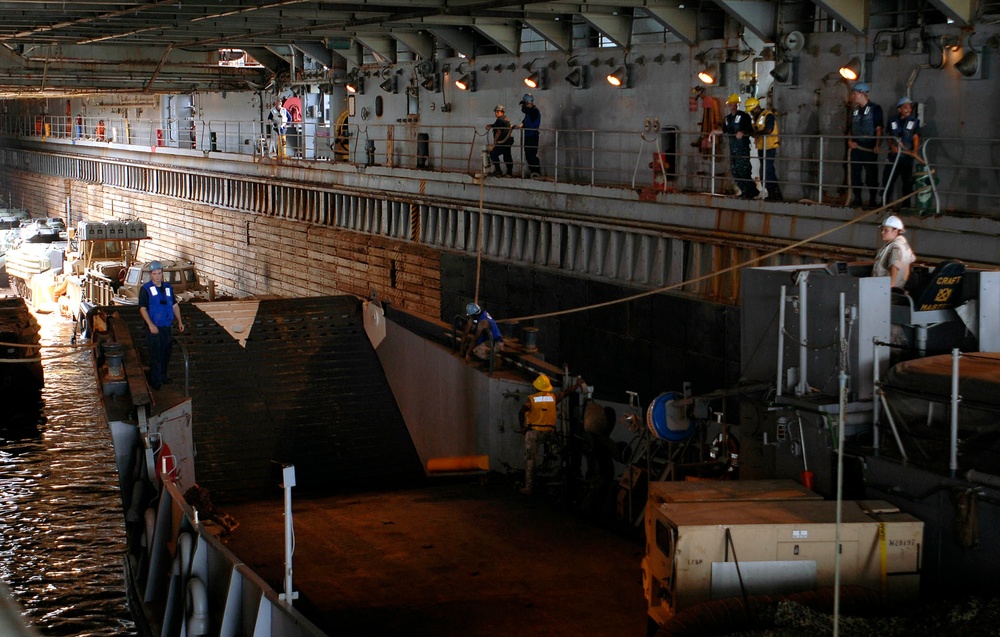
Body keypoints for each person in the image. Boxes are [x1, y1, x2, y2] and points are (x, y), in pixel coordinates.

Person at [518, 373, 586, 495]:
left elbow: (521, 412)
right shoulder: (553, 398)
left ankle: (529, 487)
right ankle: (561, 482)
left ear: (537, 387)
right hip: (549, 433)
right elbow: (567, 392)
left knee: (530, 460)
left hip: (533, 432)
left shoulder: (532, 399)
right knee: (561, 453)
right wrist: (577, 384)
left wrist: (522, 428)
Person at [139, 261, 185, 389]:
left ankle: (164, 376)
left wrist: (180, 321)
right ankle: (156, 381)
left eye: (159, 273)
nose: (157, 276)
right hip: (154, 327)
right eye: (154, 274)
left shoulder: (168, 288)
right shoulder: (145, 290)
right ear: (151, 275)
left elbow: (174, 305)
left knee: (166, 353)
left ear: (162, 274)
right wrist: (150, 325)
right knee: (156, 355)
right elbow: (142, 308)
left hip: (166, 326)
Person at [847, 82, 884, 208]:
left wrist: (877, 145)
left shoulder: (875, 109)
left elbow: (879, 129)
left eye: (854, 94)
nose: (853, 96)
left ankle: (872, 200)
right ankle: (857, 198)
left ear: (862, 93)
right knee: (855, 173)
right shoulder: (855, 111)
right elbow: (851, 128)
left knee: (871, 174)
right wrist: (850, 141)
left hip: (869, 148)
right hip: (856, 147)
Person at [716, 93, 758, 199]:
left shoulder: (744, 117)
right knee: (735, 171)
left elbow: (750, 130)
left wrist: (742, 132)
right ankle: (747, 191)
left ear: (738, 105)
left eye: (734, 104)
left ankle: (750, 191)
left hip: (742, 148)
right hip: (733, 149)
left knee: (744, 170)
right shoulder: (727, 119)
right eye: (731, 104)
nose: (732, 106)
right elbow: (724, 130)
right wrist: (714, 132)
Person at [882, 96, 921, 209]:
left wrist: (915, 150)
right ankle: (885, 202)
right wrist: (892, 146)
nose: (908, 109)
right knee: (888, 178)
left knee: (907, 181)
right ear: (899, 109)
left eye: (910, 106)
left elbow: (915, 136)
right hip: (893, 156)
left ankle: (906, 205)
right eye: (905, 107)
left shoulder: (914, 121)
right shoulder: (892, 120)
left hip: (907, 157)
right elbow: (889, 136)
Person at [747, 97, 782, 202]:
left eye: (752, 111)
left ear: (757, 108)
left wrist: (755, 134)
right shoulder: (757, 117)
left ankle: (774, 194)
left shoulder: (768, 115)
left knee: (767, 170)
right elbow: (757, 130)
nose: (751, 113)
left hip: (769, 147)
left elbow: (768, 130)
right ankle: (773, 194)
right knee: (766, 170)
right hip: (762, 147)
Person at [872, 215, 916, 290]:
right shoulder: (904, 245)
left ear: (895, 231)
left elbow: (894, 265)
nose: (882, 232)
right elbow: (911, 260)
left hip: (885, 290)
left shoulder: (895, 246)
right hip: (898, 288)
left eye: (886, 230)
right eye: (882, 229)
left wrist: (891, 285)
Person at [515, 93, 541, 178]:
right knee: (528, 154)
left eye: (525, 103)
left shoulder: (534, 111)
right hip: (528, 135)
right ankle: (532, 171)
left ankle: (536, 171)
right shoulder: (529, 113)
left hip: (532, 136)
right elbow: (525, 122)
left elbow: (525, 110)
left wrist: (523, 106)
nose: (524, 106)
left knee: (532, 154)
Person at [485, 104, 514, 176]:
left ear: (502, 112)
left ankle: (498, 170)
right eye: (496, 112)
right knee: (507, 156)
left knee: (493, 154)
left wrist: (495, 141)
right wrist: (490, 125)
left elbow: (499, 131)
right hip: (508, 141)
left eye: (498, 112)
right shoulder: (505, 118)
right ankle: (509, 172)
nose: (496, 113)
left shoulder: (500, 120)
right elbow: (496, 125)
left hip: (503, 142)